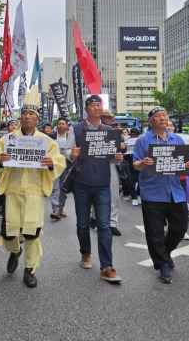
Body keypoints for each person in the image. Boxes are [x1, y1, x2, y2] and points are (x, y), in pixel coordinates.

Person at [0, 86, 65, 288]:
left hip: (34, 193)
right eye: (24, 113)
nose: (27, 117)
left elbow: (59, 162)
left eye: (31, 114)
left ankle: (30, 269)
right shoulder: (8, 139)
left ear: (37, 118)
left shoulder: (46, 141)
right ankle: (15, 251)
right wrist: (0, 159)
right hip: (13, 191)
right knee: (8, 232)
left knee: (32, 232)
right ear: (20, 117)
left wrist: (50, 163)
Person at [133, 106, 189, 284]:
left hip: (176, 191)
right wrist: (143, 163)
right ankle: (163, 265)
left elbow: (183, 163)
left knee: (179, 228)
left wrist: (188, 165)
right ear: (151, 121)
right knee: (155, 233)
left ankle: (164, 254)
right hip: (152, 192)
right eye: (158, 116)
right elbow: (135, 164)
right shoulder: (143, 140)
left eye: (165, 115)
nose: (162, 118)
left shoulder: (177, 139)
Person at [66, 95, 124, 283]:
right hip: (81, 183)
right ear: (86, 109)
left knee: (104, 225)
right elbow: (68, 151)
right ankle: (85, 253)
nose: (97, 108)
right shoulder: (76, 129)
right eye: (93, 105)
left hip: (102, 184)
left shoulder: (109, 131)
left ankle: (107, 266)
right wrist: (72, 154)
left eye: (100, 105)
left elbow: (114, 157)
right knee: (82, 223)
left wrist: (119, 158)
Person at [48, 117, 72, 220]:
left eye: (63, 124)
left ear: (66, 126)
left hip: (66, 165)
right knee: (55, 188)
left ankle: (61, 208)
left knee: (63, 188)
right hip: (54, 165)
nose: (61, 125)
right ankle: (55, 210)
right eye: (59, 124)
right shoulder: (51, 137)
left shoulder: (71, 137)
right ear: (57, 125)